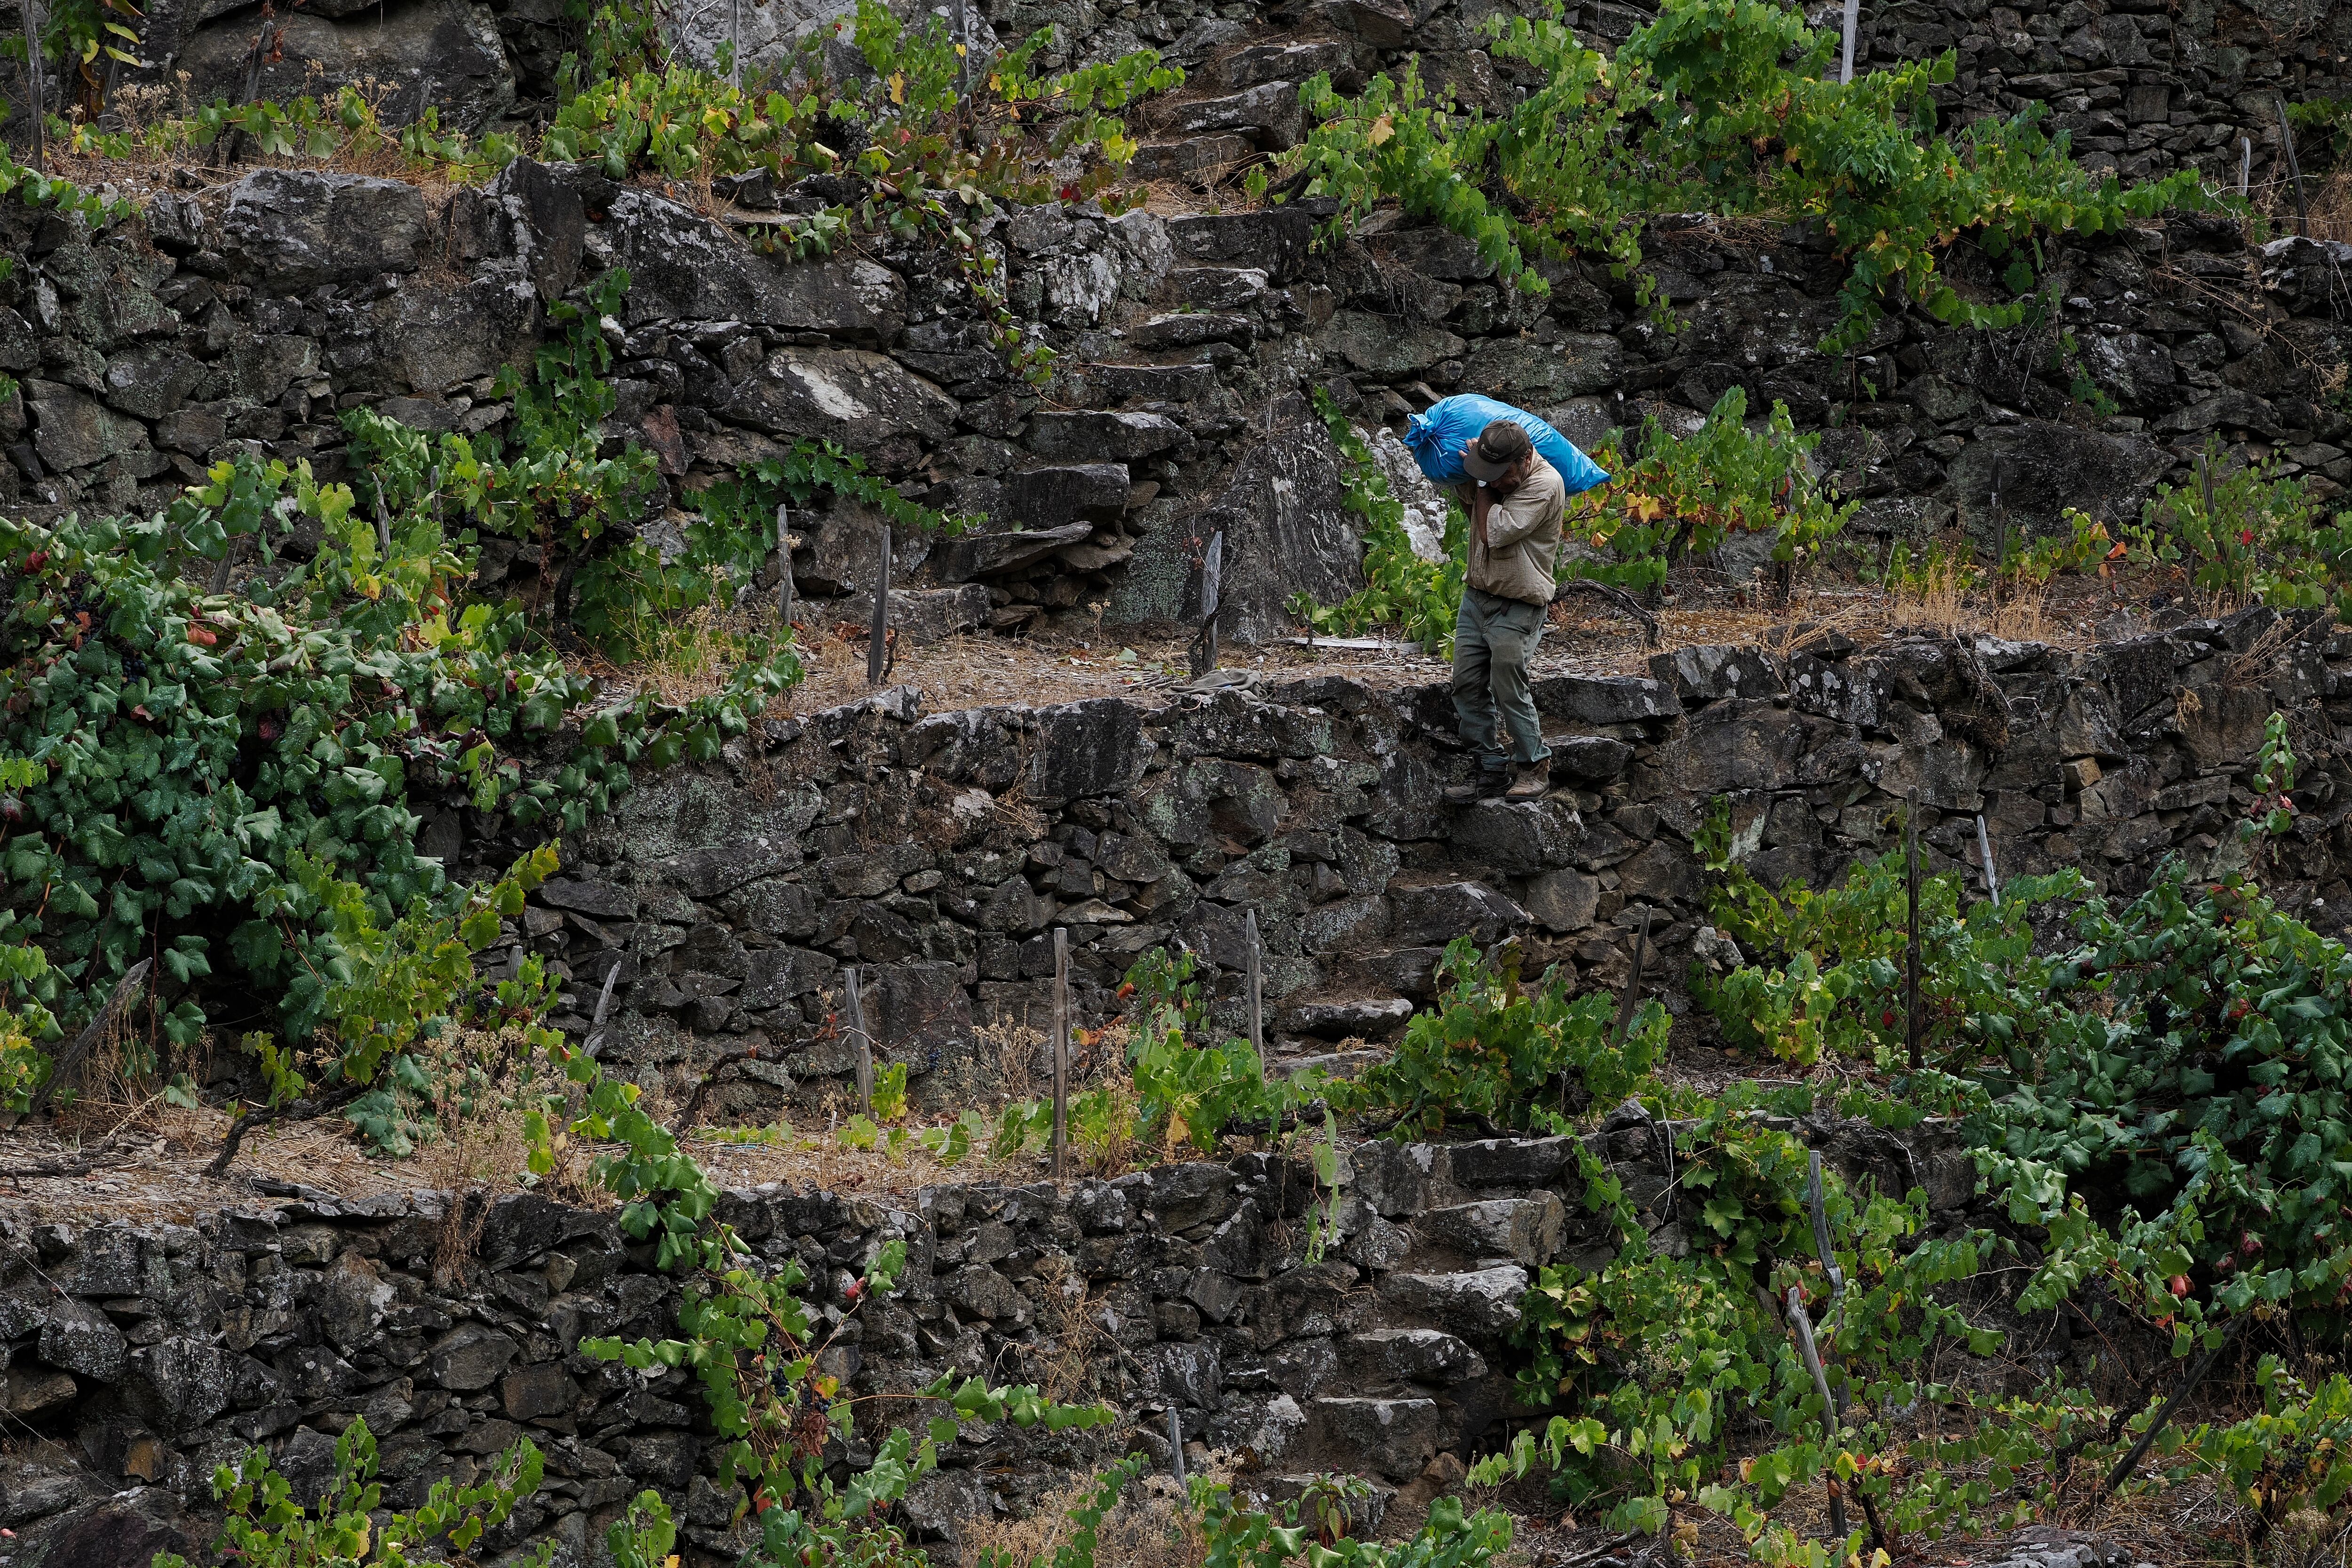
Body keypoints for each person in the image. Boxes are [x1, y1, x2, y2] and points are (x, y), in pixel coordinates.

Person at [1442, 418, 1568, 804]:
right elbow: (1468, 500)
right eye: (1490, 475)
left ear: (1526, 457)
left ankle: (1534, 765)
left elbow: (1494, 532)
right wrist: (1475, 470)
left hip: (1519, 603)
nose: (1495, 482)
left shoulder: (1546, 485)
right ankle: (1489, 771)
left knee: (1506, 681)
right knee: (1465, 682)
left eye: (1501, 474)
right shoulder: (1494, 481)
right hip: (1477, 596)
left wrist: (1481, 482)